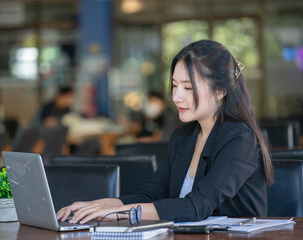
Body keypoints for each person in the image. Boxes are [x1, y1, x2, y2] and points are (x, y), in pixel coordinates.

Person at [56, 39, 274, 223]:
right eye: (174, 85)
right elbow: (151, 195)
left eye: (188, 88)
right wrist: (99, 205)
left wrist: (117, 213)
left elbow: (196, 206)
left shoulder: (240, 138)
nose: (177, 97)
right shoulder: (183, 136)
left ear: (220, 91)